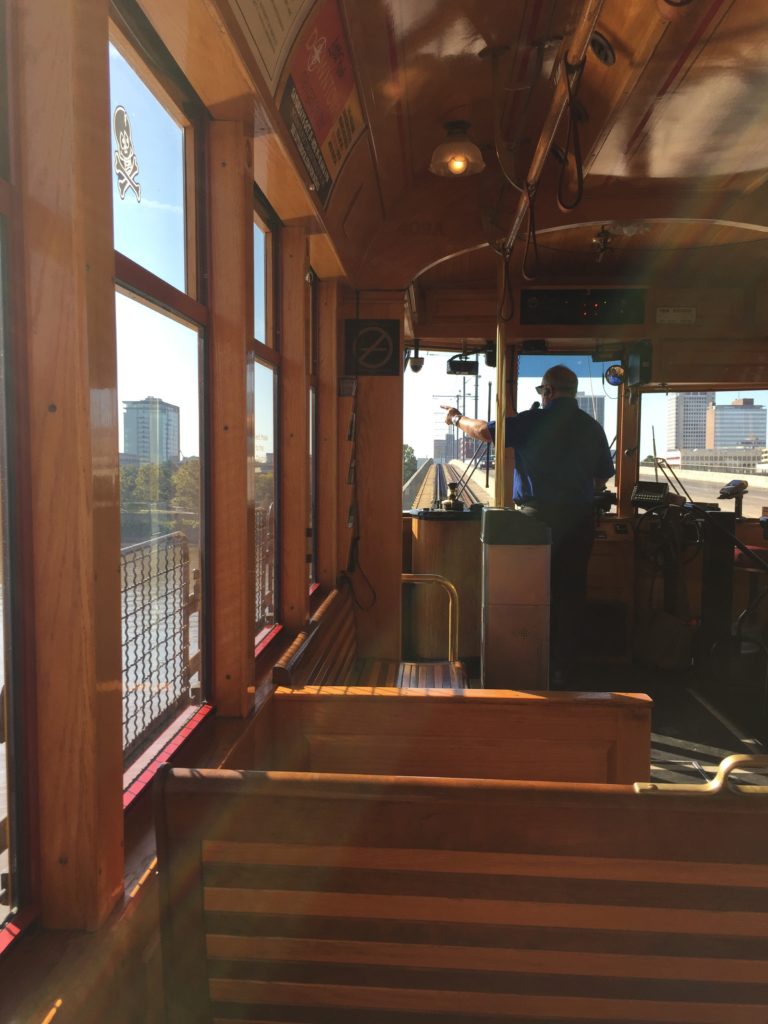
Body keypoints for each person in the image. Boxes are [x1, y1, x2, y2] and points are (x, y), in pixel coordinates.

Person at [441, 364, 615, 686]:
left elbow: (483, 431)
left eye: (542, 391)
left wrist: (455, 417)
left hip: (537, 523)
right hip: (579, 521)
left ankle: (528, 666)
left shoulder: (534, 421)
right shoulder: (592, 427)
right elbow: (602, 475)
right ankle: (563, 671)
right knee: (571, 594)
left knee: (531, 596)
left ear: (548, 392)